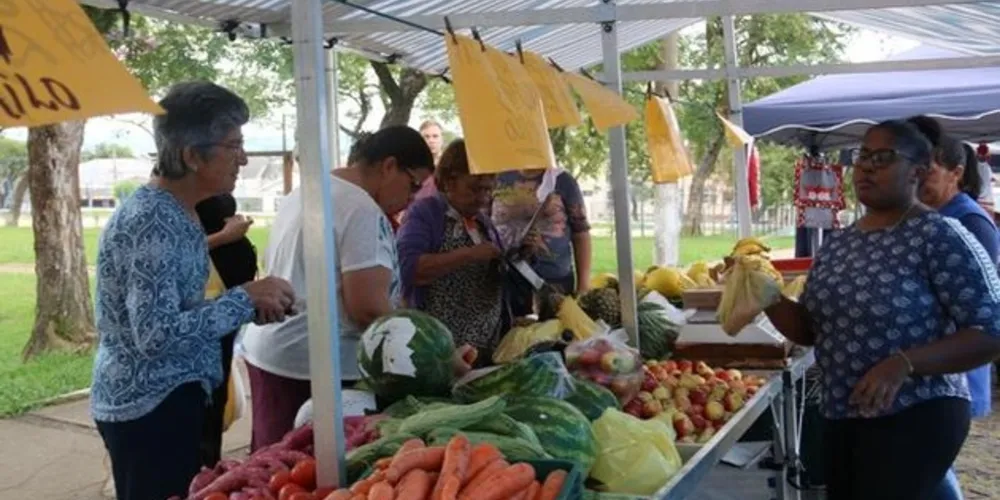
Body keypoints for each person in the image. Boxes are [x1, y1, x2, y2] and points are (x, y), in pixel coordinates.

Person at [764, 119, 1000, 500]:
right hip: (843, 413)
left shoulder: (940, 236)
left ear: (917, 171)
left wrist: (903, 363)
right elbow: (811, 330)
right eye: (863, 156)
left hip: (916, 414)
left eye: (884, 157)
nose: (867, 167)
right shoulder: (838, 244)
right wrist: (767, 298)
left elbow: (991, 331)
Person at [90, 81, 296, 500]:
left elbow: (177, 308)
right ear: (191, 156)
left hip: (173, 398)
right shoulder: (152, 221)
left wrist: (249, 306)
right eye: (233, 145)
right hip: (150, 408)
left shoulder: (178, 212)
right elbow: (155, 334)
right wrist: (243, 298)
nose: (243, 159)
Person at [241, 126, 472, 451]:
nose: (412, 199)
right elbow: (367, 308)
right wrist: (439, 356)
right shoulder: (360, 208)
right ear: (389, 166)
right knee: (306, 465)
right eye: (413, 185)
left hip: (277, 351)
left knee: (272, 461)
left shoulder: (310, 189)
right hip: (316, 365)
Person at [908, 116, 999, 500]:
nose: (917, 181)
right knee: (929, 466)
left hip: (951, 372)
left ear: (956, 173)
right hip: (925, 372)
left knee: (932, 467)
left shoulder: (970, 222)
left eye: (927, 171)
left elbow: (983, 310)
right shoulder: (928, 218)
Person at [398, 139, 511, 364]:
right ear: (450, 181)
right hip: (440, 353)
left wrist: (519, 256)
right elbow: (409, 269)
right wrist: (470, 254)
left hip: (486, 348)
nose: (483, 198)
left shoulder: (483, 222)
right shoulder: (425, 213)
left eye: (488, 189)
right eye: (475, 188)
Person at [194, 193, 259, 467]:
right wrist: (223, 236)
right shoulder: (234, 250)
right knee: (206, 436)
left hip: (194, 361)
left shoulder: (194, 248)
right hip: (213, 355)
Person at [491, 167, 592, 316]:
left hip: (554, 281)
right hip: (507, 279)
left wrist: (583, 286)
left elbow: (581, 232)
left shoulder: (562, 180)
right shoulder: (498, 178)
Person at [413, 120, 445, 201]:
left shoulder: (449, 164)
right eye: (426, 137)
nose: (431, 141)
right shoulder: (413, 166)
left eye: (435, 136)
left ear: (442, 139)